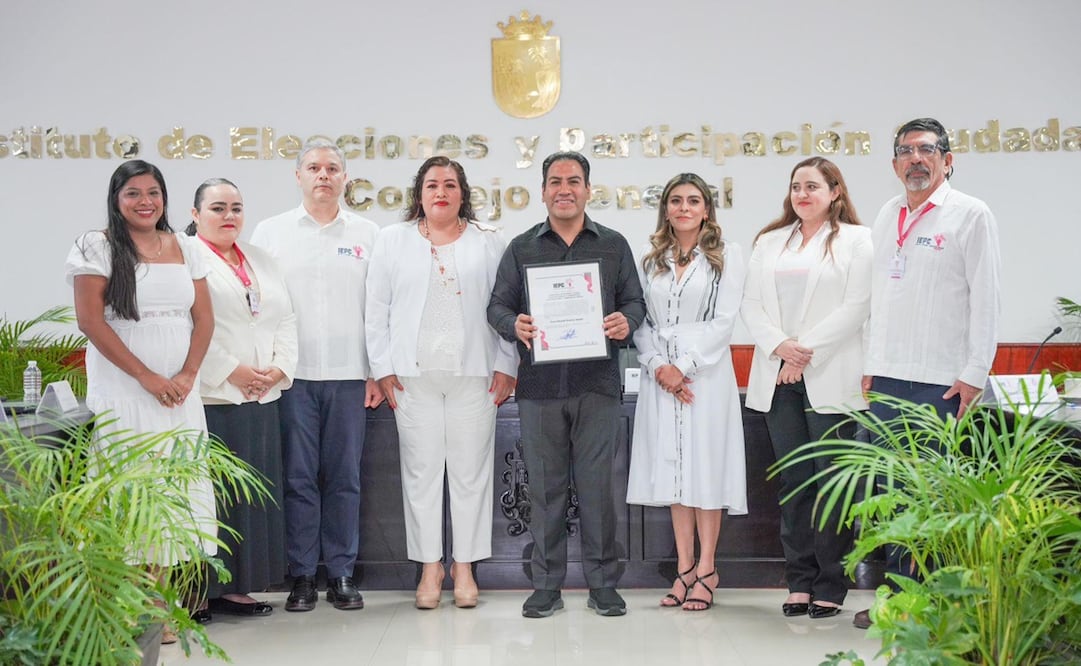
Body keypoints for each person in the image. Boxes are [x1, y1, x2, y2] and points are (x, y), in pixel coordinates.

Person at [853, 117, 1001, 629]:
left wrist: (974, 373)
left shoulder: (969, 215)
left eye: (926, 149)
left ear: (947, 159)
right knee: (889, 494)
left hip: (942, 381)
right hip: (887, 379)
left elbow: (987, 298)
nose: (916, 159)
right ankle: (895, 597)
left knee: (932, 497)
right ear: (894, 163)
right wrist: (870, 365)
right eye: (906, 150)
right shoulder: (885, 213)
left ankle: (931, 602)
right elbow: (877, 298)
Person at [487, 151, 646, 618]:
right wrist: (512, 323)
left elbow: (635, 302)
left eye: (574, 181)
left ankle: (602, 585)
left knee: (597, 489)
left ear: (588, 190)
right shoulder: (521, 248)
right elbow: (496, 306)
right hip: (538, 388)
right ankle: (546, 586)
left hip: (597, 385)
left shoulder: (614, 245)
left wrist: (625, 321)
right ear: (542, 192)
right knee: (545, 490)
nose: (564, 189)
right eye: (555, 181)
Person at [66, 159, 215, 643]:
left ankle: (160, 605)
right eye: (133, 193)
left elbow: (205, 320)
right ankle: (129, 606)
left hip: (179, 392)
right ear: (116, 199)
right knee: (132, 489)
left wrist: (188, 373)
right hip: (125, 388)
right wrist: (147, 376)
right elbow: (91, 322)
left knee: (171, 489)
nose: (145, 202)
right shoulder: (97, 245)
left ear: (165, 199)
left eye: (153, 193)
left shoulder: (186, 246)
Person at [366, 156, 517, 610]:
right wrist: (382, 367)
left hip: (475, 374)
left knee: (471, 473)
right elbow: (376, 309)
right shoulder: (392, 241)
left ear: (462, 193)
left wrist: (508, 363)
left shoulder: (490, 242)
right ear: (419, 193)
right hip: (413, 377)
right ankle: (431, 568)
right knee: (422, 474)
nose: (441, 193)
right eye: (432, 184)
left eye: (450, 185)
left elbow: (508, 304)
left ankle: (465, 568)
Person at [249, 140, 383, 612]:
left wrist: (375, 372)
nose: (323, 175)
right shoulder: (271, 233)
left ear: (346, 178)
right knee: (299, 478)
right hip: (292, 377)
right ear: (298, 175)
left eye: (332, 168)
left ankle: (342, 573)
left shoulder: (370, 233)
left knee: (344, 478)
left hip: (351, 377)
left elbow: (378, 310)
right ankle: (303, 575)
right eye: (313, 168)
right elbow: (258, 306)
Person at [742, 157, 871, 620]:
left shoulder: (858, 240)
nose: (802, 194)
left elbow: (857, 307)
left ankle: (831, 584)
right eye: (796, 186)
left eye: (813, 186)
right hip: (777, 378)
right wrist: (782, 347)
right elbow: (752, 305)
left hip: (830, 375)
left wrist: (802, 352)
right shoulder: (770, 242)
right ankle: (799, 580)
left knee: (831, 483)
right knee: (795, 484)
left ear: (835, 191)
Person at [626, 172, 747, 612]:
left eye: (693, 201)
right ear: (666, 209)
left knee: (704, 471)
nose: (683, 208)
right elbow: (640, 321)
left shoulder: (726, 257)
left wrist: (685, 368)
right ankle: (684, 568)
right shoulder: (650, 259)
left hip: (705, 378)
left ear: (707, 210)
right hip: (662, 377)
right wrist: (660, 367)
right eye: (675, 200)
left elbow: (724, 321)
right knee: (675, 475)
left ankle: (709, 568)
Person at [187, 177, 297, 619]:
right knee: (207, 497)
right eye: (217, 208)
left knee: (248, 497)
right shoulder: (184, 257)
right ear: (195, 215)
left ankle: (237, 587)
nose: (228, 216)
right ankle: (196, 591)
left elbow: (285, 318)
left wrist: (277, 370)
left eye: (235, 207)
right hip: (212, 398)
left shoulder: (260, 258)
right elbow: (188, 324)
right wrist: (232, 371)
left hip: (260, 399)